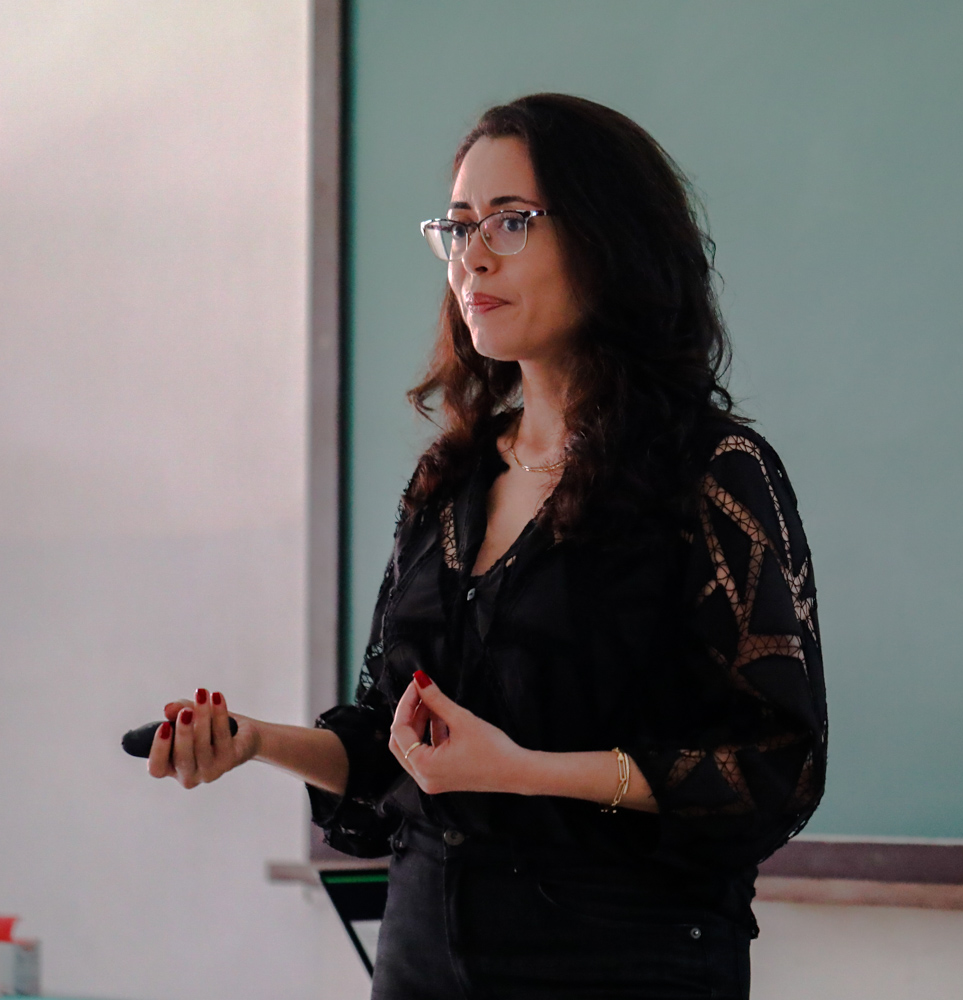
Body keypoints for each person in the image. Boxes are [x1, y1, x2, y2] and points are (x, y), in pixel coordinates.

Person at [144, 93, 826, 999]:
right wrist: (254, 741)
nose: (473, 256)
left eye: (512, 222)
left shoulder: (710, 473)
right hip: (424, 951)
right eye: (459, 227)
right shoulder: (451, 478)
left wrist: (527, 773)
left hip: (623, 958)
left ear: (607, 238)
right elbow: (392, 745)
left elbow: (776, 766)